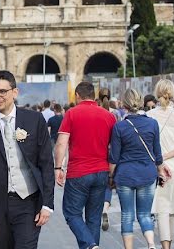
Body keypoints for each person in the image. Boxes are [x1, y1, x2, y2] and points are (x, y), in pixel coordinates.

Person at [0, 70, 55, 249]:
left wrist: (47, 204)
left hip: (28, 203)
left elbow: (45, 163)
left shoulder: (34, 120)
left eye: (2, 92)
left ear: (15, 92)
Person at [54, 81, 117, 249]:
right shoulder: (109, 116)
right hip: (101, 171)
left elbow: (61, 144)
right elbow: (114, 147)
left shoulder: (72, 113)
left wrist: (58, 168)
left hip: (78, 172)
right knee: (93, 219)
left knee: (71, 213)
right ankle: (92, 245)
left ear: (77, 96)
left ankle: (90, 245)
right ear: (93, 96)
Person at [109, 88, 167, 249]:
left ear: (124, 104)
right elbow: (157, 153)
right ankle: (151, 244)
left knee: (127, 215)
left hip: (125, 175)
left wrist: (111, 176)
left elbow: (114, 157)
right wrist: (161, 171)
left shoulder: (119, 127)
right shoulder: (153, 123)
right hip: (147, 174)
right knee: (144, 214)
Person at [147, 79, 174, 249]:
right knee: (172, 211)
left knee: (161, 210)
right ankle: (168, 245)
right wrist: (168, 155)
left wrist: (161, 157)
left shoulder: (149, 116)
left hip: (158, 168)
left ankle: (165, 246)